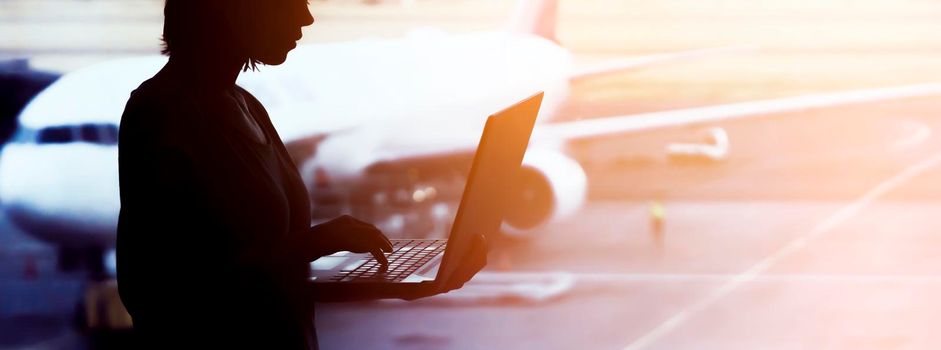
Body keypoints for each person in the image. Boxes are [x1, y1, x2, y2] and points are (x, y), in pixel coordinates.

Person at [115, 0, 488, 349]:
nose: (306, 18)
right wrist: (316, 242)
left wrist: (407, 284)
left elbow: (272, 282)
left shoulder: (245, 105)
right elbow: (162, 292)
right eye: (294, 2)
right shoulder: (160, 115)